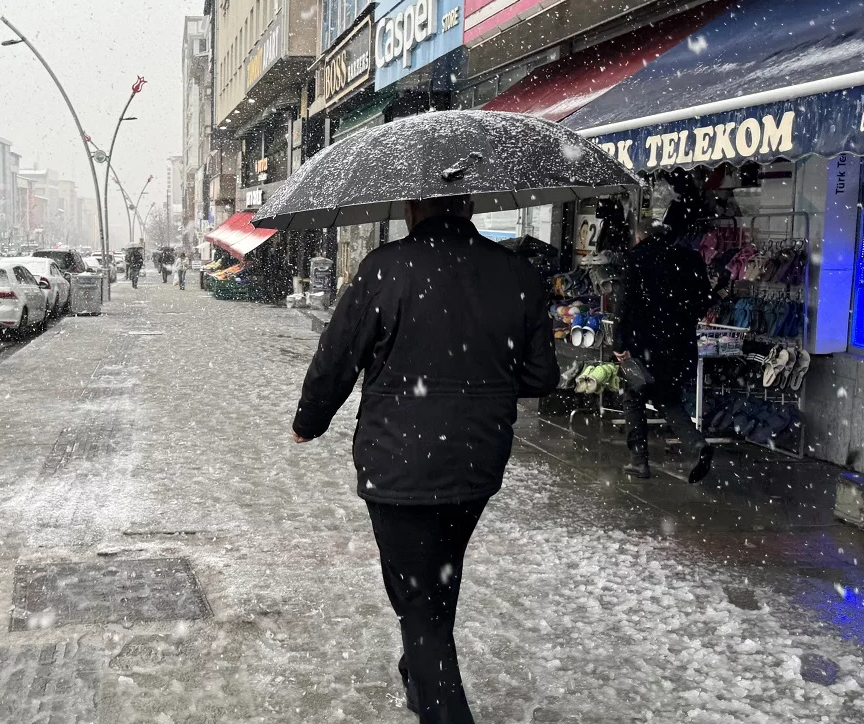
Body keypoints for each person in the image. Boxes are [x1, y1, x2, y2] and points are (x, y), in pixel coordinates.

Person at [290, 196, 558, 724]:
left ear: (413, 206)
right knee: (438, 578)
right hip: (477, 462)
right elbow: (540, 377)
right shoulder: (517, 274)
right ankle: (418, 673)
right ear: (471, 205)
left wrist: (309, 421)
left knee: (418, 601)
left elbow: (338, 356)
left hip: (398, 461)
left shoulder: (385, 268)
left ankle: (437, 696)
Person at [614, 212, 717, 482]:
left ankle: (639, 461)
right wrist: (682, 319)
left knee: (633, 396)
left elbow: (623, 304)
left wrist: (619, 342)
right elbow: (706, 297)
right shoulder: (688, 257)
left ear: (640, 236)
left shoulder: (636, 259)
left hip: (643, 343)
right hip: (679, 342)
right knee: (666, 396)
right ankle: (696, 444)